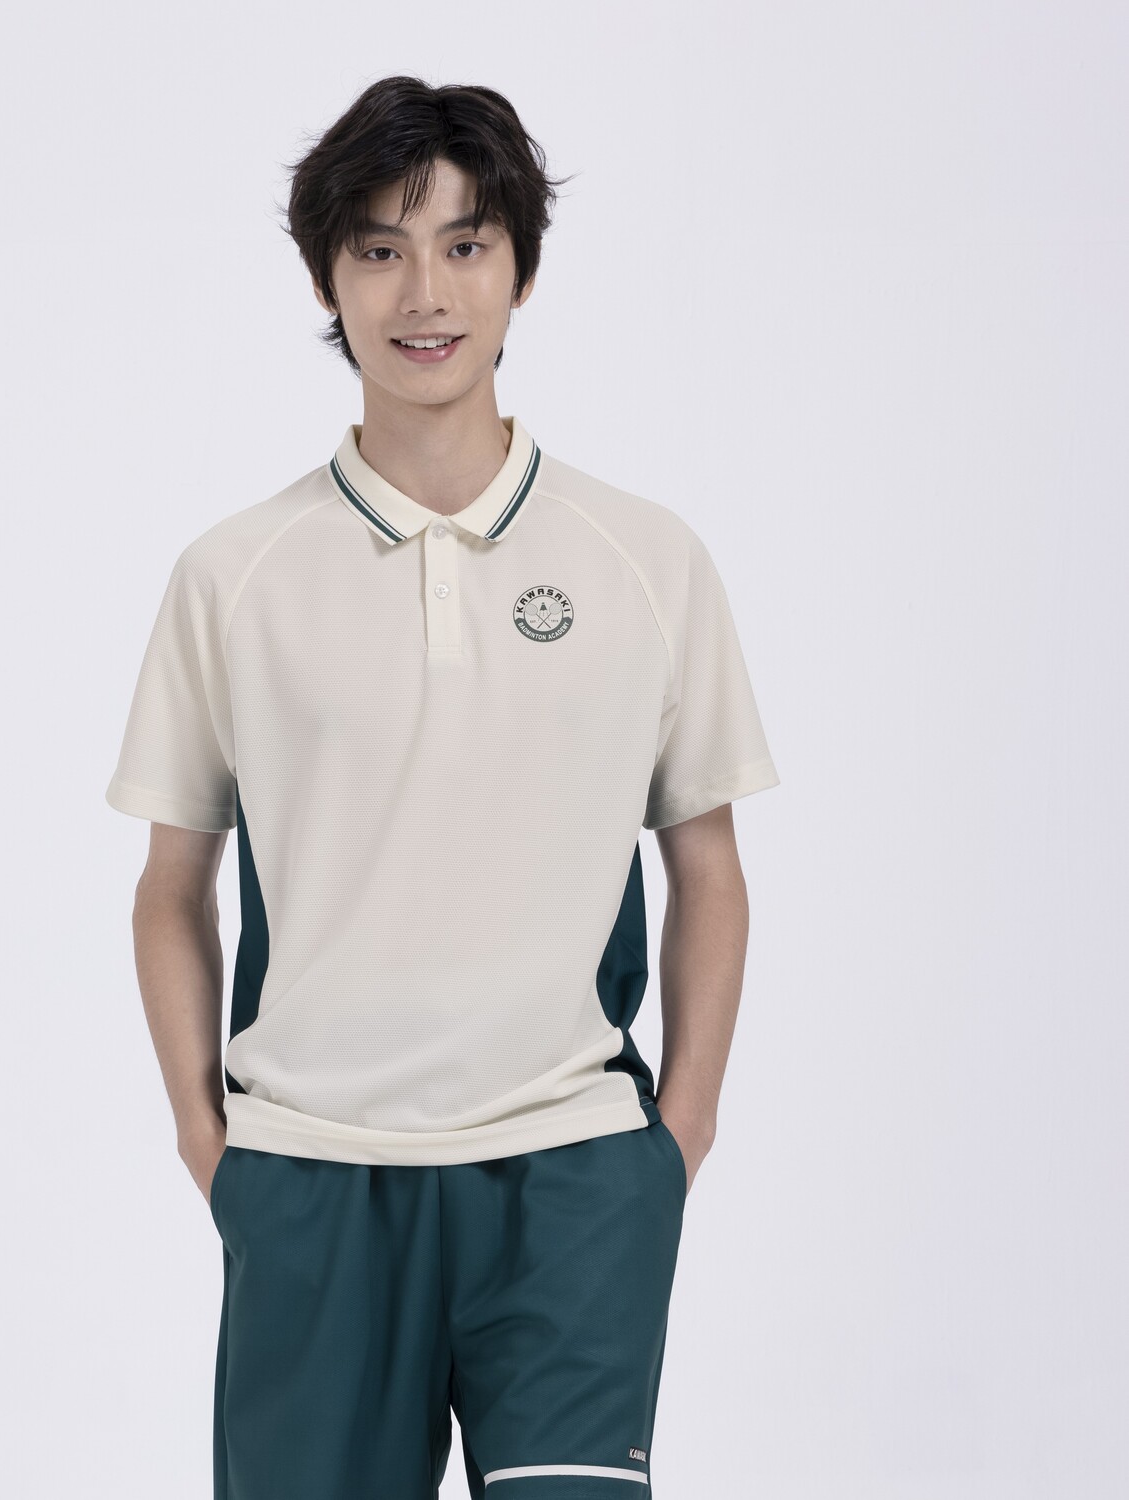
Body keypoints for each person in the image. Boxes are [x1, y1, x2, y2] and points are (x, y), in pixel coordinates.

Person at [105, 75, 780, 1500]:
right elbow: (171, 889)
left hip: (574, 1176)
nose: (425, 292)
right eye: (380, 248)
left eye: (466, 244)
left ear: (520, 270)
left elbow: (707, 866)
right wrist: (210, 1146)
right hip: (310, 1181)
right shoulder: (234, 577)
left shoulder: (645, 559)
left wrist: (679, 1140)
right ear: (327, 278)